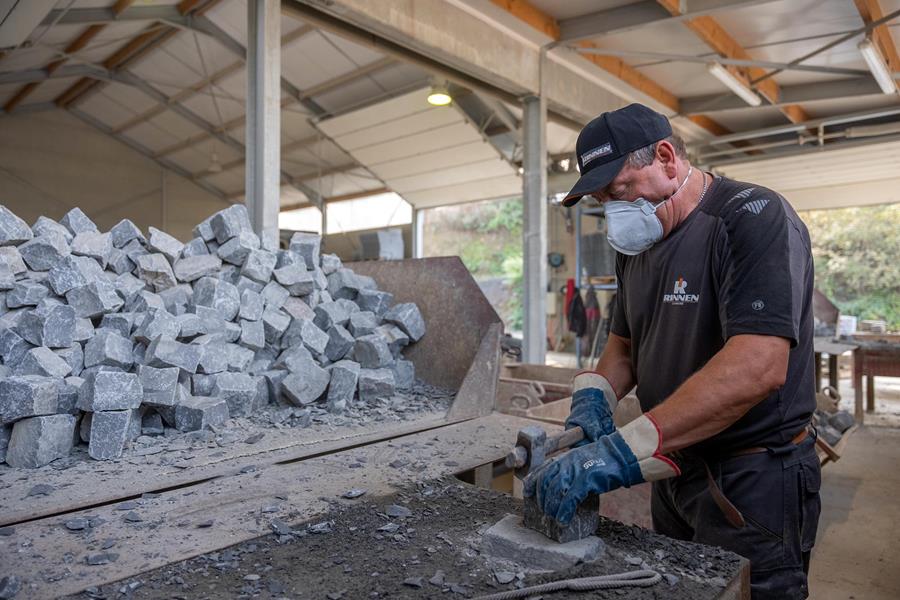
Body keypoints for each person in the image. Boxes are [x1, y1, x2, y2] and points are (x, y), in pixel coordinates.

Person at [523, 103, 819, 599]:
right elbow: (624, 341)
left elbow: (758, 367)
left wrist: (621, 450)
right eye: (602, 199)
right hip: (673, 472)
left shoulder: (751, 218)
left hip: (751, 480)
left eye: (619, 191)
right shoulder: (638, 244)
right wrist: (594, 396)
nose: (614, 210)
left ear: (666, 157)